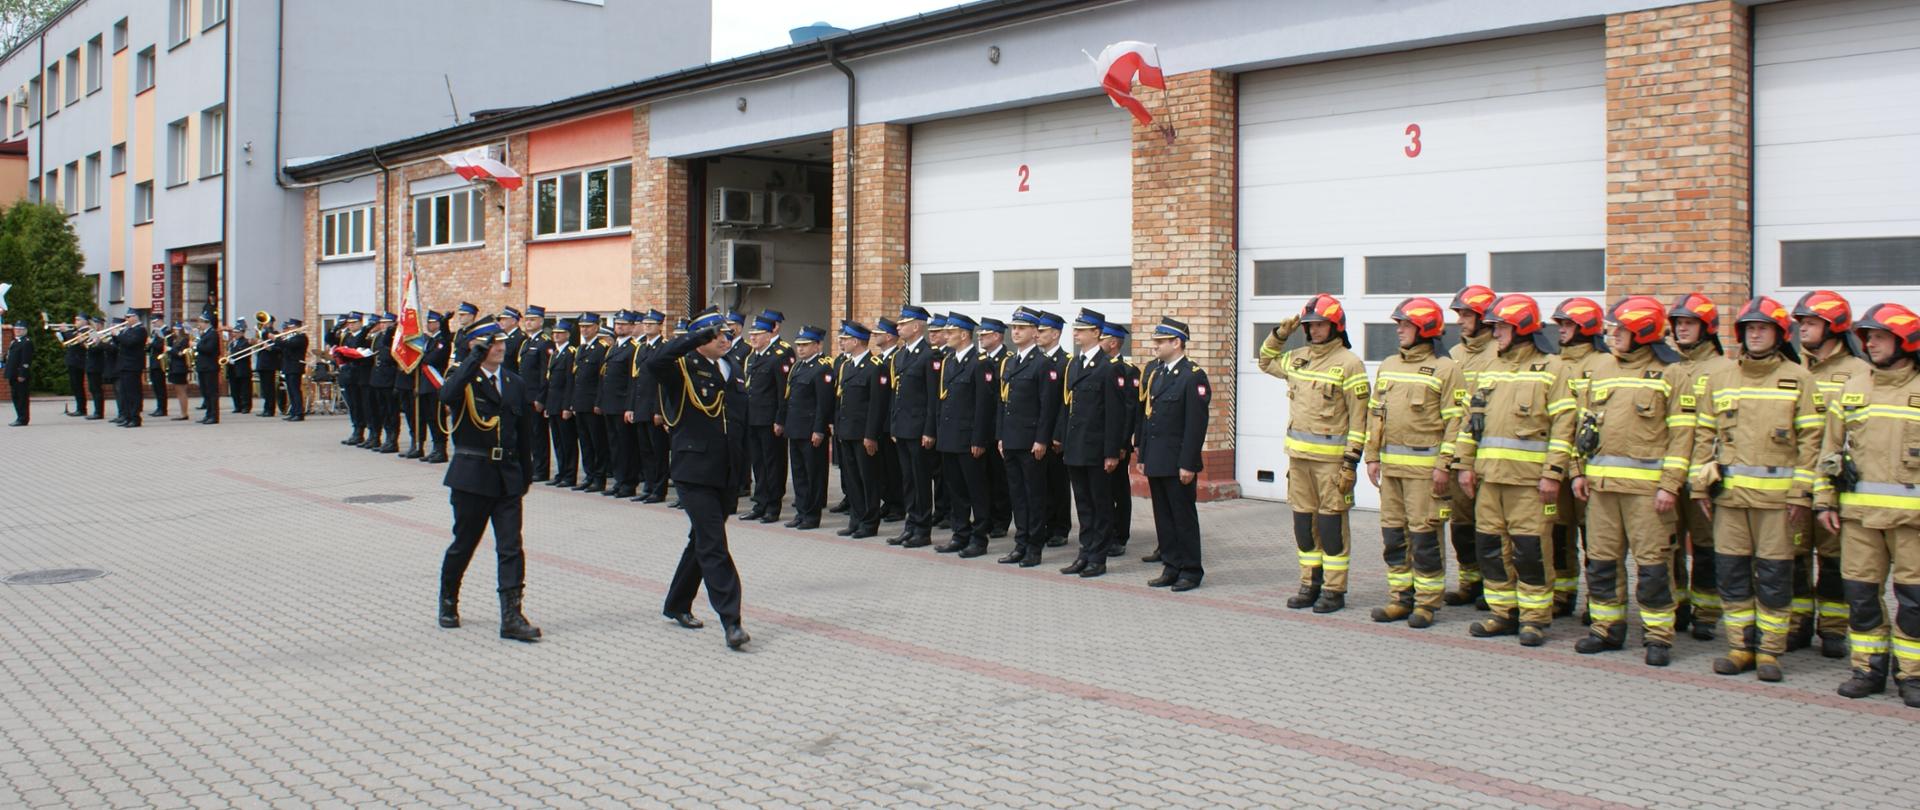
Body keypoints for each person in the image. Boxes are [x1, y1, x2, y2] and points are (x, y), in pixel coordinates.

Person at [1692, 297, 1819, 683]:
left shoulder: (1799, 378)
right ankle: (1739, 647)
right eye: (1749, 328)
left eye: (1763, 328)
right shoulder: (1722, 379)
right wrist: (1700, 486)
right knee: (1731, 574)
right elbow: (1703, 435)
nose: (1755, 334)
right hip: (1729, 500)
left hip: (1777, 504)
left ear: (1780, 335)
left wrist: (1800, 493)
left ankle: (1769, 652)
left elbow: (1811, 440)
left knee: (1775, 576)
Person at [1569, 297, 1692, 667]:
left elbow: (1683, 436)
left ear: (1642, 333)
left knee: (1654, 567)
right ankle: (1606, 629)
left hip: (1647, 495)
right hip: (1602, 490)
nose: (1613, 335)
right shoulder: (1602, 369)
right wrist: (1578, 471)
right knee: (1602, 563)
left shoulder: (1672, 374)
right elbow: (1584, 425)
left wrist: (1670, 485)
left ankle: (1658, 636)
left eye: (1621, 329)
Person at [1452, 294, 1576, 646]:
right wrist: (1464, 465)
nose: (1496, 334)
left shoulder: (1554, 370)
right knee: (1491, 548)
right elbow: (1469, 421)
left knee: (1531, 551)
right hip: (1490, 479)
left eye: (1502, 328)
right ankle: (1502, 612)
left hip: (1529, 484)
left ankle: (1535, 618)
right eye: (1494, 327)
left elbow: (1565, 426)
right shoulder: (1491, 370)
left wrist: (1553, 474)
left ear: (1522, 329)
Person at [1818, 302, 1920, 707]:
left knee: (1913, 600)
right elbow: (1830, 451)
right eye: (1868, 337)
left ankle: (1911, 675)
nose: (1871, 344)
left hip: (1912, 520)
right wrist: (1825, 500)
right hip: (1858, 518)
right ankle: (1867, 669)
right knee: (1861, 595)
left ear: (1905, 341)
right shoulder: (1853, 389)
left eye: (1879, 337)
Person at [1259, 294, 1369, 612]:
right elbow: (1265, 361)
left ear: (1335, 326)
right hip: (1299, 461)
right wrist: (1281, 333)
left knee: (1331, 529)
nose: (1314, 330)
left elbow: (1360, 421)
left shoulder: (1350, 364)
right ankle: (1310, 583)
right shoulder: (1298, 357)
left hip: (1332, 465)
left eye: (1320, 325)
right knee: (1304, 527)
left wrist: (1351, 462)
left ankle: (1334, 590)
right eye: (1310, 325)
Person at [652, 307, 752, 650]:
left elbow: (739, 420)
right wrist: (691, 338)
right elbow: (655, 362)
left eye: (727, 334)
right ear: (701, 340)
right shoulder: (682, 367)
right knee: (714, 543)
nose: (726, 339)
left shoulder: (732, 366)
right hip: (694, 469)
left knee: (701, 540)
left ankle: (677, 603)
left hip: (726, 469)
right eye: (717, 335)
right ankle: (732, 620)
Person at [435, 324, 542, 643]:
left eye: (501, 342)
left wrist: (525, 473)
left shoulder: (513, 382)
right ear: (475, 347)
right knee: (464, 543)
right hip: (472, 475)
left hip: (507, 475)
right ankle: (448, 600)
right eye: (491, 344)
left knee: (511, 546)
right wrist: (473, 358)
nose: (499, 348)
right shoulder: (464, 379)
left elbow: (524, 432)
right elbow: (447, 394)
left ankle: (512, 615)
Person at [1364, 298, 1466, 626]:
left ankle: (1426, 604)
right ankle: (1399, 599)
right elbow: (1375, 415)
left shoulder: (1446, 369)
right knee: (1394, 537)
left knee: (1425, 539)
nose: (1399, 331)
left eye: (1405, 325)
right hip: (1391, 471)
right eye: (1399, 325)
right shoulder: (1389, 365)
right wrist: (1372, 457)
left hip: (1426, 473)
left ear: (1424, 329)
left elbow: (1456, 423)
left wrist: (1443, 466)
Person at [1792, 290, 1870, 658]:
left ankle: (1834, 629)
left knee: (1833, 559)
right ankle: (1796, 625)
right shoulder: (1794, 368)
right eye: (1800, 323)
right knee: (1793, 555)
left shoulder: (1860, 372)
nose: (1802, 329)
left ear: (1834, 326)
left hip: (1832, 483)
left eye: (1810, 322)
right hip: (1793, 480)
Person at [1668, 292, 1732, 640]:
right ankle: (1677, 606)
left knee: (1707, 546)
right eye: (1678, 323)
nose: (1682, 329)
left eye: (1689, 323)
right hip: (1670, 474)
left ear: (1707, 328)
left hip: (1706, 477)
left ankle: (1707, 612)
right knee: (1669, 544)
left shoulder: (1727, 370)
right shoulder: (1671, 370)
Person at [1138, 317, 1211, 591]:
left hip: (1178, 461)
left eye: (1159, 341)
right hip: (1157, 458)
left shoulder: (1193, 376)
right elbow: (1149, 419)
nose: (1154, 346)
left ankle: (1191, 570)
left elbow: (1195, 425)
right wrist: (1143, 456)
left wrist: (1188, 464)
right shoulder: (1159, 374)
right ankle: (1171, 565)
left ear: (1176, 342)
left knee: (1182, 517)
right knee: (1164, 517)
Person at [1057, 309, 1129, 578]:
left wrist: (1111, 452)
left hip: (1097, 450)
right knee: (1084, 505)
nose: (1076, 333)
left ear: (1096, 333)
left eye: (1082, 329)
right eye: (1076, 328)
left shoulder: (1109, 367)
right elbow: (1069, 407)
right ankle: (1084, 553)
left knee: (1100, 505)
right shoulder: (1074, 364)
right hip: (1076, 447)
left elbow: (1114, 414)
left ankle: (1098, 557)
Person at [1549, 298, 1608, 618]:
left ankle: (1597, 602)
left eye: (1568, 325)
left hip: (1587, 465)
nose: (1562, 330)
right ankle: (1562, 593)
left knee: (1595, 537)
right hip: (1558, 464)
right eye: (1560, 325)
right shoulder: (1553, 364)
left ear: (1586, 328)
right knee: (1559, 532)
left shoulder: (1603, 365)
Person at [1446, 284, 1501, 608]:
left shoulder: (1498, 353)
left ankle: (1494, 587)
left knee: (1491, 527)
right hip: (1457, 454)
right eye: (1460, 314)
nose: (1461, 321)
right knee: (1462, 525)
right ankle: (1470, 581)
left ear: (1484, 317)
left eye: (1467, 314)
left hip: (1490, 456)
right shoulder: (1454, 355)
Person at [994, 307, 1062, 567]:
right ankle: (1020, 543)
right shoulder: (1010, 362)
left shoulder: (1043, 364)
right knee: (1017, 495)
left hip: (1031, 441)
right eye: (1014, 327)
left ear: (1036, 332)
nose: (1016, 331)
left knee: (1034, 495)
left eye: (1021, 328)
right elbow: (1003, 401)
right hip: (1011, 439)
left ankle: (1034, 546)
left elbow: (1048, 406)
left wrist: (1042, 439)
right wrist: (1000, 435)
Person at [934, 312, 993, 557]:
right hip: (950, 437)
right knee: (955, 490)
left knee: (976, 491)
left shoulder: (980, 363)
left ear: (964, 334)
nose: (945, 336)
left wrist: (979, 439)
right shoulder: (948, 361)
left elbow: (984, 406)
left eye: (950, 332)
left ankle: (979, 539)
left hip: (969, 439)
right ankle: (960, 534)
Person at [887, 305, 939, 547]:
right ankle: (910, 525)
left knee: (920, 480)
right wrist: (895, 426)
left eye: (903, 323)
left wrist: (929, 430)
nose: (898, 326)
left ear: (917, 326)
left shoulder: (929, 356)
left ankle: (922, 529)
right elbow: (897, 394)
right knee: (908, 480)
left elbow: (932, 397)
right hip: (903, 428)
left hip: (919, 430)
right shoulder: (901, 355)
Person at [833, 321, 889, 538]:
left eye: (845, 339)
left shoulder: (876, 366)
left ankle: (869, 522)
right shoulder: (847, 365)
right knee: (852, 478)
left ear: (856, 341)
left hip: (864, 435)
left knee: (869, 480)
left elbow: (877, 405)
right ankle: (856, 518)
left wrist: (871, 435)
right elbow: (842, 401)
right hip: (847, 432)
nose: (841, 342)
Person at [741, 311, 793, 523]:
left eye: (757, 333)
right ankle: (760, 503)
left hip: (770, 420)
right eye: (751, 333)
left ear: (768, 334)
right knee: (759, 463)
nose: (752, 337)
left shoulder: (779, 354)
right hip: (753, 417)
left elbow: (783, 392)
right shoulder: (753, 356)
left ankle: (773, 506)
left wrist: (780, 419)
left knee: (773, 463)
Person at [782, 325, 833, 530]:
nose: (800, 349)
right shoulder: (798, 367)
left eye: (805, 345)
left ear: (818, 345)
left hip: (811, 430)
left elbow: (823, 403)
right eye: (799, 345)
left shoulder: (822, 368)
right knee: (799, 474)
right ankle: (801, 512)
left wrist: (819, 429)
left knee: (813, 475)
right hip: (795, 428)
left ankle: (812, 515)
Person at [1097, 320, 1137, 557]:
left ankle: (1119, 535)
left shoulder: (1127, 370)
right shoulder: (1096, 367)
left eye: (1102, 338)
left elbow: (1127, 411)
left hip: (1117, 445)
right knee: (1101, 492)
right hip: (1099, 442)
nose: (1098, 342)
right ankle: (1103, 533)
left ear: (1113, 343)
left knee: (1118, 491)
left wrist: (1122, 444)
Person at [1036, 310, 1073, 547]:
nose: (1038, 335)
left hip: (1055, 436)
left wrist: (1059, 435)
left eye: (1042, 331)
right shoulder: (1039, 361)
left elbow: (1065, 402)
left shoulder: (1065, 362)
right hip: (1038, 432)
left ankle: (1060, 527)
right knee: (1043, 484)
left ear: (1056, 334)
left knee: (1058, 483)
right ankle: (1047, 524)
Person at [569, 312, 611, 493]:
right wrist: (572, 402)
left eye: (588, 327)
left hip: (593, 403)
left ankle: (599, 478)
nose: (584, 330)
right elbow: (576, 378)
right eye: (582, 327)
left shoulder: (602, 348)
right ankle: (589, 475)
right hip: (580, 402)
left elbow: (602, 379)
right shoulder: (581, 349)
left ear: (596, 327)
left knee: (597, 442)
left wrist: (599, 402)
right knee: (585, 442)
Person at [979, 318, 1013, 539]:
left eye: (985, 334)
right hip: (984, 428)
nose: (980, 336)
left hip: (999, 428)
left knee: (1001, 479)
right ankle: (988, 517)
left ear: (998, 336)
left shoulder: (1006, 360)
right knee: (985, 478)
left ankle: (1001, 520)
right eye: (980, 333)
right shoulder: (980, 360)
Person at [601, 310, 640, 499]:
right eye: (617, 324)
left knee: (626, 447)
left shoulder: (633, 348)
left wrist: (629, 406)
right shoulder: (614, 347)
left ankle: (628, 483)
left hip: (622, 405)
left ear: (632, 327)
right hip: (610, 404)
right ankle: (619, 480)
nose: (620, 327)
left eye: (624, 324)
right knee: (614, 446)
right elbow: (606, 377)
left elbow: (633, 381)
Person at [516, 306, 550, 481]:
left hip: (535, 397)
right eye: (527, 319)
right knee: (528, 435)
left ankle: (541, 469)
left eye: (532, 319)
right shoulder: (526, 343)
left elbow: (545, 374)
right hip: (524, 396)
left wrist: (541, 398)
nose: (528, 322)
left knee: (538, 435)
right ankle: (531, 465)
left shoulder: (544, 342)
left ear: (541, 321)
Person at [544, 320, 579, 488]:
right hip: (553, 404)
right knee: (557, 442)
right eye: (554, 333)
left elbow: (570, 382)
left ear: (567, 335)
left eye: (559, 333)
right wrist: (547, 405)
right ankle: (561, 472)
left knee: (568, 442)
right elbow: (550, 382)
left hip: (563, 405)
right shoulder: (555, 353)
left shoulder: (570, 353)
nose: (556, 335)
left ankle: (570, 475)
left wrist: (567, 406)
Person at [416, 313, 450, 460]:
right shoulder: (430, 341)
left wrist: (422, 358)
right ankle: (435, 447)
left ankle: (441, 449)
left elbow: (434, 358)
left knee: (437, 418)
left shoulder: (441, 340)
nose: (429, 325)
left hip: (435, 384)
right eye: (428, 322)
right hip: (425, 384)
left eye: (432, 322)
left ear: (438, 324)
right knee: (429, 417)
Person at [366, 313, 398, 452]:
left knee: (391, 410)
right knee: (382, 410)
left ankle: (392, 439)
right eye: (382, 322)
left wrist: (392, 331)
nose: (384, 325)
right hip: (377, 377)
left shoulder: (395, 337)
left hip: (389, 377)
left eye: (387, 322)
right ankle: (383, 436)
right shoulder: (378, 336)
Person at [112, 310, 148, 428]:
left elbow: (130, 342)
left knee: (133, 393)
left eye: (129, 317)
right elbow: (120, 344)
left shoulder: (140, 330)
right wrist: (114, 336)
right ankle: (127, 416)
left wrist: (118, 334)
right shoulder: (128, 329)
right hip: (124, 364)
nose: (126, 319)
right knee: (125, 393)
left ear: (136, 317)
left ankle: (135, 418)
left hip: (133, 365)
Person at [193, 309, 222, 425]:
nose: (199, 324)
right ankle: (208, 414)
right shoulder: (205, 334)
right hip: (203, 367)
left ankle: (214, 416)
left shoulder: (213, 334)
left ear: (207, 323)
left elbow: (209, 349)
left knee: (211, 392)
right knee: (205, 392)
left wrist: (196, 345)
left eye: (201, 322)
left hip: (210, 367)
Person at [280, 319, 310, 422]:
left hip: (295, 366)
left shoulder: (301, 338)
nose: (290, 329)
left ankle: (299, 413)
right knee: (291, 391)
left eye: (292, 327)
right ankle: (294, 411)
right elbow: (284, 349)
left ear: (297, 327)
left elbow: (289, 345)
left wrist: (277, 339)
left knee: (295, 390)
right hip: (288, 366)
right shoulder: (292, 337)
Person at [256, 319, 283, 419]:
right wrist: (258, 342)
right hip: (262, 364)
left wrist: (270, 348)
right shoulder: (262, 334)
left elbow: (280, 348)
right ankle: (266, 408)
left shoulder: (275, 334)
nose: (263, 324)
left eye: (265, 322)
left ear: (271, 323)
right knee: (264, 389)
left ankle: (270, 409)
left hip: (269, 365)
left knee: (269, 388)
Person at [5, 322, 31, 426]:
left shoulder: (26, 342)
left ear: (25, 330)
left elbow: (26, 360)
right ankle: (19, 416)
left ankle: (23, 418)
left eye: (20, 329)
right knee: (15, 396)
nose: (18, 330)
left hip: (19, 374)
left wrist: (22, 374)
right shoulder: (15, 342)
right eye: (16, 328)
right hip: (13, 373)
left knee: (22, 397)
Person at [165, 325, 192, 420]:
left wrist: (170, 349)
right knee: (178, 391)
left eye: (177, 329)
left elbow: (180, 354)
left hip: (180, 368)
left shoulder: (184, 340)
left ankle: (184, 413)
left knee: (181, 391)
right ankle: (183, 412)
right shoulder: (175, 340)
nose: (174, 331)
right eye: (174, 329)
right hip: (174, 367)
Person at [65, 315, 90, 418]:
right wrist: (62, 333)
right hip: (72, 360)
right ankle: (79, 408)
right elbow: (69, 341)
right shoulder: (76, 330)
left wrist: (66, 331)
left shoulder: (86, 330)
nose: (76, 321)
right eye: (75, 319)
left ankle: (81, 409)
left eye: (78, 320)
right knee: (75, 386)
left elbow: (76, 340)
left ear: (85, 321)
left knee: (78, 385)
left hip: (78, 361)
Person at [226, 319, 253, 415]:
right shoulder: (232, 343)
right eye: (234, 332)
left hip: (242, 369)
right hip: (232, 368)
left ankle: (246, 406)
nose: (234, 334)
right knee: (234, 389)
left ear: (242, 333)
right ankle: (237, 406)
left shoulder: (245, 342)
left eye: (237, 332)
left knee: (245, 389)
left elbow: (245, 353)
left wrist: (232, 355)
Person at [84, 317, 109, 421]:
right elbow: (88, 348)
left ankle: (99, 412)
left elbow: (101, 349)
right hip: (91, 365)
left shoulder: (103, 335)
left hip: (97, 366)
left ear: (99, 324)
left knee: (97, 389)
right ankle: (96, 411)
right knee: (92, 389)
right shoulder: (93, 334)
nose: (92, 326)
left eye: (94, 324)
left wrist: (96, 342)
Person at [145, 316, 168, 417]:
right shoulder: (155, 332)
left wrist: (152, 342)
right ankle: (159, 407)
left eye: (155, 322)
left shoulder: (166, 331)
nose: (153, 325)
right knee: (156, 387)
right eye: (152, 323)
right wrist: (148, 345)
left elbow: (161, 346)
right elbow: (151, 347)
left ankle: (162, 408)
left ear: (160, 321)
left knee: (160, 387)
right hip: (154, 362)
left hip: (160, 362)